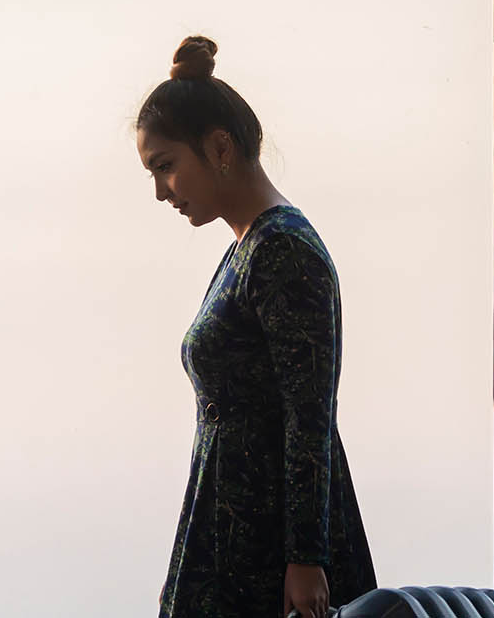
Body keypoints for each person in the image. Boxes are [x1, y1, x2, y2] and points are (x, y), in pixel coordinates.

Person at [133, 35, 380, 618]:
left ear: (219, 146)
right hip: (230, 523)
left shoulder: (284, 250)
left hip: (270, 548)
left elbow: (310, 414)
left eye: (165, 167)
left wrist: (305, 557)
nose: (159, 192)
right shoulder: (249, 248)